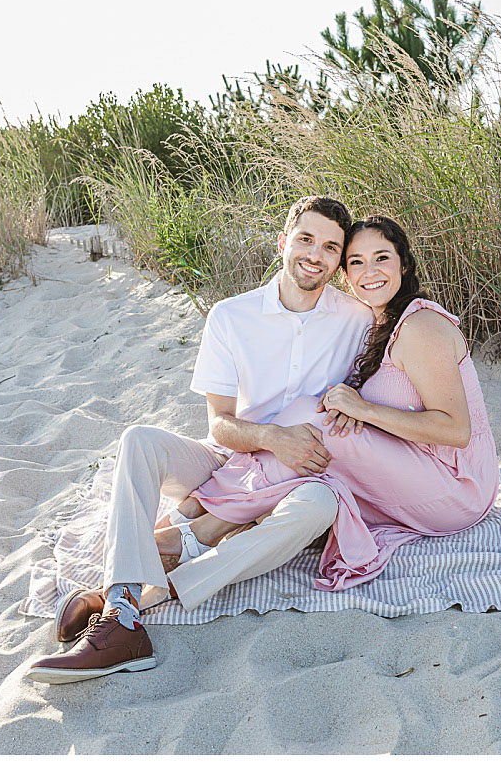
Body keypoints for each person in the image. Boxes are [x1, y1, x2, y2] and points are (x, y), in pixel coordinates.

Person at [25, 196, 373, 685]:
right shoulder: (232, 317)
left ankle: (138, 600)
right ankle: (124, 607)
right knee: (139, 440)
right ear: (283, 243)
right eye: (306, 239)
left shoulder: (357, 321)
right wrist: (273, 437)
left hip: (298, 479)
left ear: (339, 261)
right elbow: (221, 425)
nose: (316, 254)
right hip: (228, 457)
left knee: (320, 506)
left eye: (330, 247)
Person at [172, 215, 499, 593]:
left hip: (456, 489)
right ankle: (205, 519)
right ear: (344, 274)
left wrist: (365, 410)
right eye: (356, 262)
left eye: (382, 258)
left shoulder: (420, 327)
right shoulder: (373, 324)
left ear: (404, 264)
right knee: (309, 421)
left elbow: (456, 431)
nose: (369, 272)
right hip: (413, 466)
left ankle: (201, 523)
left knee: (312, 421)